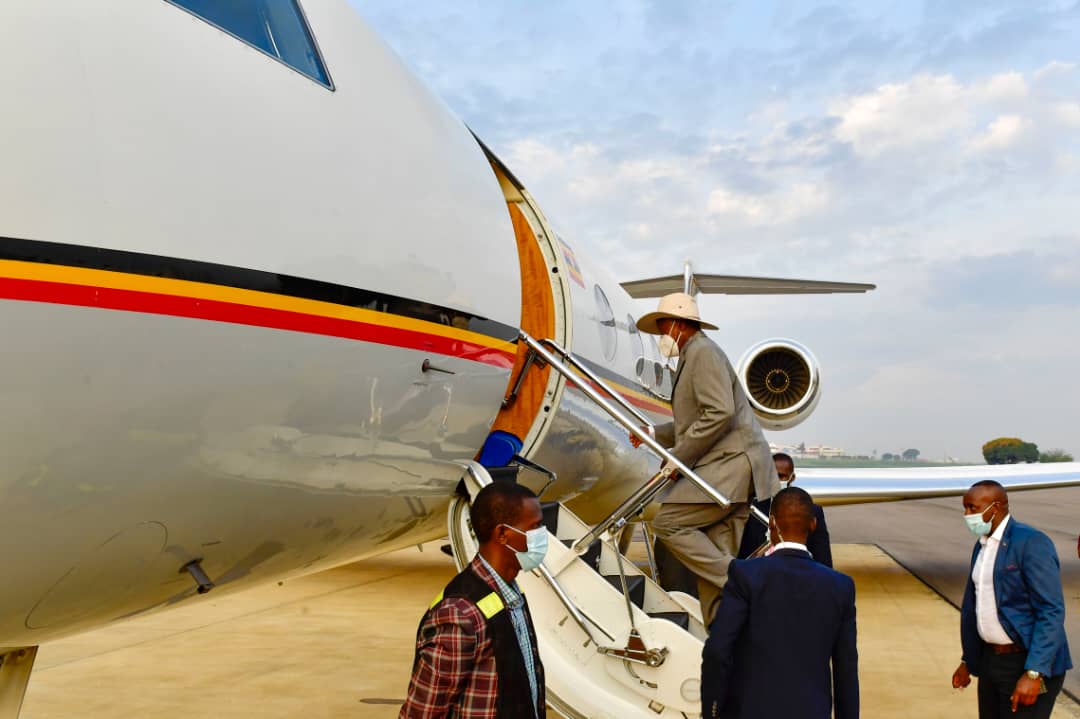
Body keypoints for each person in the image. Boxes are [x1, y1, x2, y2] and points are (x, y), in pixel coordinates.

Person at [632, 292, 779, 624]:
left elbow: (719, 412)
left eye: (663, 327)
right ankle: (720, 645)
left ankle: (743, 581)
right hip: (734, 471)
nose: (661, 337)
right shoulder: (693, 354)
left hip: (730, 468)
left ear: (680, 325)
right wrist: (654, 434)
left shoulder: (702, 353)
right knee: (712, 577)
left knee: (668, 523)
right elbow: (694, 420)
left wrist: (677, 459)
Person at [701, 487, 859, 719]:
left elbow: (718, 650)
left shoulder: (746, 574)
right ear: (813, 525)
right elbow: (846, 669)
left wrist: (712, 711)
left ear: (771, 524)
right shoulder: (840, 586)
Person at [400, 482, 547, 719]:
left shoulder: (511, 594)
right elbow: (423, 712)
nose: (542, 536)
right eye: (535, 527)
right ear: (502, 534)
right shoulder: (460, 613)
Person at [951, 480, 1072, 718]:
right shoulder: (982, 545)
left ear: (995, 507)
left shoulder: (1030, 542)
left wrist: (1034, 672)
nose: (967, 514)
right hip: (991, 662)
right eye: (965, 507)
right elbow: (978, 606)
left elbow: (1051, 610)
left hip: (1025, 662)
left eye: (972, 508)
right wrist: (969, 661)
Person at [737, 453, 832, 566]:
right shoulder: (751, 510)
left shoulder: (812, 511)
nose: (776, 481)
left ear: (792, 477)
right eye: (772, 476)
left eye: (782, 476)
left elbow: (823, 558)